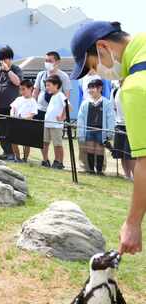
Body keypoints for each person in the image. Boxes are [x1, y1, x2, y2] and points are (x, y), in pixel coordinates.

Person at [69, 21, 146, 254]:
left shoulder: (135, 87)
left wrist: (132, 223)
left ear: (103, 47)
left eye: (93, 66)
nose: (96, 74)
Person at [0, 45, 23, 161]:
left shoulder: (16, 69)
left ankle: (13, 154)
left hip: (11, 107)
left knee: (10, 130)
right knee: (0, 130)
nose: (3, 61)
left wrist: (8, 70)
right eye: (1, 59)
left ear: (10, 58)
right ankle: (5, 152)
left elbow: (18, 82)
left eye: (5, 59)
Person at [77, 79, 115, 175]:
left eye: (93, 87)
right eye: (89, 88)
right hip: (89, 130)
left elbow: (110, 118)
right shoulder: (85, 103)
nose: (90, 90)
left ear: (100, 88)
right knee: (89, 149)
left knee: (99, 150)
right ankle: (91, 170)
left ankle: (99, 170)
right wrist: (81, 133)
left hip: (101, 131)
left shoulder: (106, 103)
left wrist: (109, 132)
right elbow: (80, 119)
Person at [33, 51, 71, 120]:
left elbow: (67, 96)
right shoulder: (41, 74)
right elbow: (35, 93)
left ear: (57, 62)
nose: (47, 63)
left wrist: (63, 114)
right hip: (40, 110)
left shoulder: (64, 76)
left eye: (50, 61)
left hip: (55, 112)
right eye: (46, 61)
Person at [111, 83, 136, 180]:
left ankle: (135, 176)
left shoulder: (133, 89)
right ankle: (127, 175)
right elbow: (113, 107)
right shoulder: (115, 91)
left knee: (129, 153)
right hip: (119, 125)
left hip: (131, 125)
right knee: (120, 152)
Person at [41, 75, 66, 169]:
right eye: (46, 85)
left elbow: (68, 107)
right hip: (47, 123)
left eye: (48, 85)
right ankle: (45, 160)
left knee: (57, 144)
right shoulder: (52, 96)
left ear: (56, 85)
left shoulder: (60, 95)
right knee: (44, 142)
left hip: (56, 125)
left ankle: (59, 161)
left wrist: (63, 116)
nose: (47, 87)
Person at [10, 80, 38, 163]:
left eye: (23, 89)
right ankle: (17, 157)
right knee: (13, 141)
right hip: (16, 123)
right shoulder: (18, 99)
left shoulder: (33, 101)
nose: (21, 91)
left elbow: (32, 114)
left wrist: (24, 119)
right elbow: (13, 108)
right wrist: (12, 116)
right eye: (20, 89)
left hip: (27, 125)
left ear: (30, 89)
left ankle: (25, 158)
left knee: (26, 143)